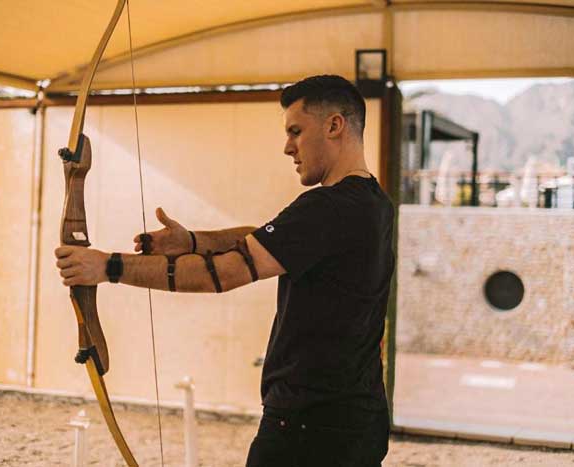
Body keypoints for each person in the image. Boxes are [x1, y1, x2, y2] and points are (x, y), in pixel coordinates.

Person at [55, 74, 394, 467]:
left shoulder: (327, 207)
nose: (288, 147)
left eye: (296, 131)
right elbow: (275, 241)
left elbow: (222, 274)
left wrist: (107, 267)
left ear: (334, 125)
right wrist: (193, 241)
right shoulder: (372, 202)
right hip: (357, 421)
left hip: (308, 429)